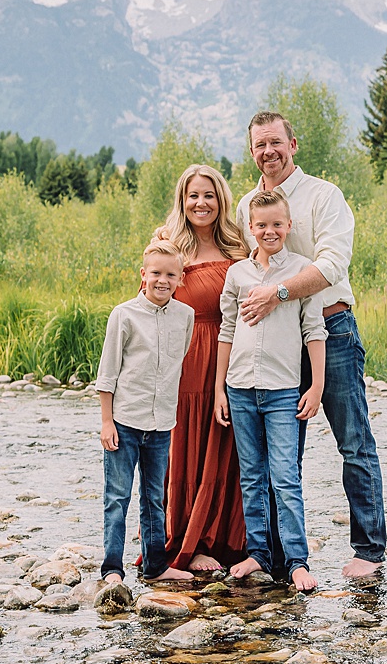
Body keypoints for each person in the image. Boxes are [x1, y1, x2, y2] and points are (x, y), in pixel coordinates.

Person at [236, 110, 386, 580]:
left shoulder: (325, 196)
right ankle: (281, 555)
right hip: (277, 345)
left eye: (276, 142)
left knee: (354, 443)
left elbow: (332, 265)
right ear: (252, 150)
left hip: (332, 331)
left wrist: (280, 292)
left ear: (293, 144)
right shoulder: (247, 206)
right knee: (282, 456)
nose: (268, 152)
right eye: (260, 145)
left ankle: (368, 548)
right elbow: (242, 264)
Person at [215, 187, 326, 592]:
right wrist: (218, 391)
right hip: (240, 388)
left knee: (285, 477)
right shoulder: (237, 274)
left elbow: (315, 331)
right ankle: (259, 554)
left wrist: (316, 387)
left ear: (289, 225)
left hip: (282, 391)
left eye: (277, 224)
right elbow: (227, 331)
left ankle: (297, 560)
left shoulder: (301, 271)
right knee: (251, 477)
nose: (269, 231)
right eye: (261, 225)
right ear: (250, 228)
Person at [152, 163, 250, 574]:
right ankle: (188, 543)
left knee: (226, 449)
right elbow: (151, 301)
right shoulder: (167, 245)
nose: (201, 202)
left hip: (230, 354)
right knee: (186, 446)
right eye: (193, 195)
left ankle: (227, 540)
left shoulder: (238, 248)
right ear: (182, 200)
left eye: (208, 195)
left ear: (221, 199)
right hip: (185, 357)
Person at [93, 238, 196, 601]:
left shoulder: (186, 316)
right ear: (143, 275)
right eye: (155, 273)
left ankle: (156, 565)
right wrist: (107, 422)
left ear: (180, 278)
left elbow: (177, 361)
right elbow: (107, 374)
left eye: (170, 274)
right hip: (124, 421)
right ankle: (112, 569)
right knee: (117, 497)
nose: (162, 280)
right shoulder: (123, 315)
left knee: (155, 498)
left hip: (162, 423)